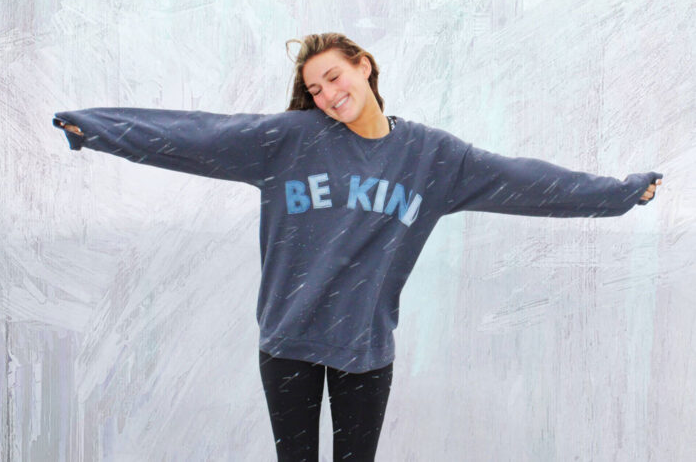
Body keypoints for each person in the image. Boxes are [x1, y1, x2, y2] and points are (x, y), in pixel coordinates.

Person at [53, 32, 662, 462]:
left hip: (364, 347)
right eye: (315, 89)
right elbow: (198, 134)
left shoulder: (433, 158)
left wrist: (618, 194)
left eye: (333, 77)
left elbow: (527, 181)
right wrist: (98, 129)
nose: (326, 94)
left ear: (363, 66)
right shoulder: (287, 140)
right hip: (288, 340)